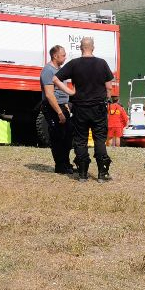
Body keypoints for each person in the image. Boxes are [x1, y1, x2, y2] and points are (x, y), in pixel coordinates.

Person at [54, 36, 114, 181]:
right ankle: (102, 174)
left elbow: (55, 79)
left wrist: (70, 92)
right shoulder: (102, 63)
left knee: (80, 141)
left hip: (80, 108)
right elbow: (109, 87)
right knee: (99, 139)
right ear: (92, 47)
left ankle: (82, 174)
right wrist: (106, 99)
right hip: (98, 108)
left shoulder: (74, 64)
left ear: (81, 48)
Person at [41, 45, 74, 174]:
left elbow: (62, 91)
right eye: (63, 55)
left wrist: (66, 105)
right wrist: (59, 112)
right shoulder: (48, 71)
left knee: (67, 135)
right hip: (53, 108)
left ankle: (66, 163)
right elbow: (49, 94)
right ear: (55, 56)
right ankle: (60, 166)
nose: (65, 57)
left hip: (62, 106)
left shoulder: (59, 70)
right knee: (58, 136)